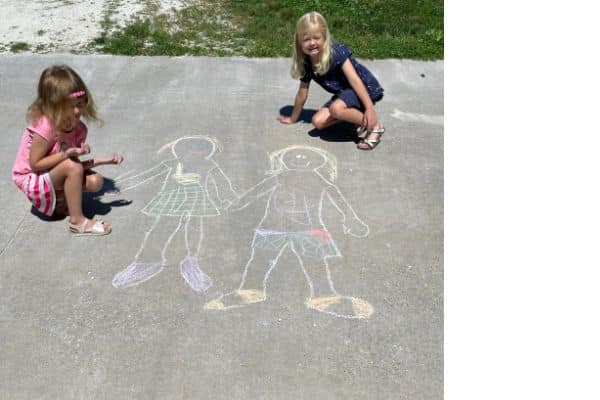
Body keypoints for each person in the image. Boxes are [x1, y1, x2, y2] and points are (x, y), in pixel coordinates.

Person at [12, 65, 123, 236]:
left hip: (51, 175)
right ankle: (77, 222)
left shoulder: (79, 129)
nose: (77, 111)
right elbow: (35, 164)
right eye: (70, 106)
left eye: (80, 104)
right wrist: (66, 154)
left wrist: (103, 160)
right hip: (32, 181)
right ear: (52, 106)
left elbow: (74, 167)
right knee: (73, 167)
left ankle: (61, 204)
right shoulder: (45, 127)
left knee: (95, 181)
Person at [277, 11, 386, 150]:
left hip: (364, 88)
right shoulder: (306, 63)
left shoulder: (336, 53)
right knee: (318, 122)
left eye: (316, 38)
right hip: (345, 94)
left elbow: (354, 80)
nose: (312, 43)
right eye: (306, 39)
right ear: (299, 41)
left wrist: (369, 107)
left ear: (325, 37)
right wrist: (293, 118)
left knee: (336, 109)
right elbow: (302, 93)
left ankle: (375, 126)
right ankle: (357, 120)